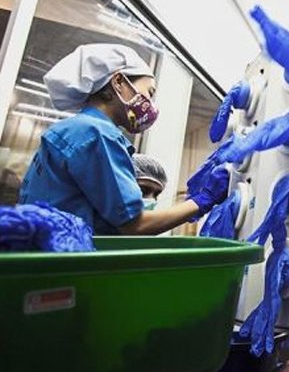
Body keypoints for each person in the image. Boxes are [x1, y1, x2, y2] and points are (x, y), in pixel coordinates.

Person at [19, 44, 228, 235]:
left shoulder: (71, 129)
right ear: (118, 82)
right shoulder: (96, 134)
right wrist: (204, 199)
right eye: (149, 93)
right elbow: (135, 225)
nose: (151, 105)